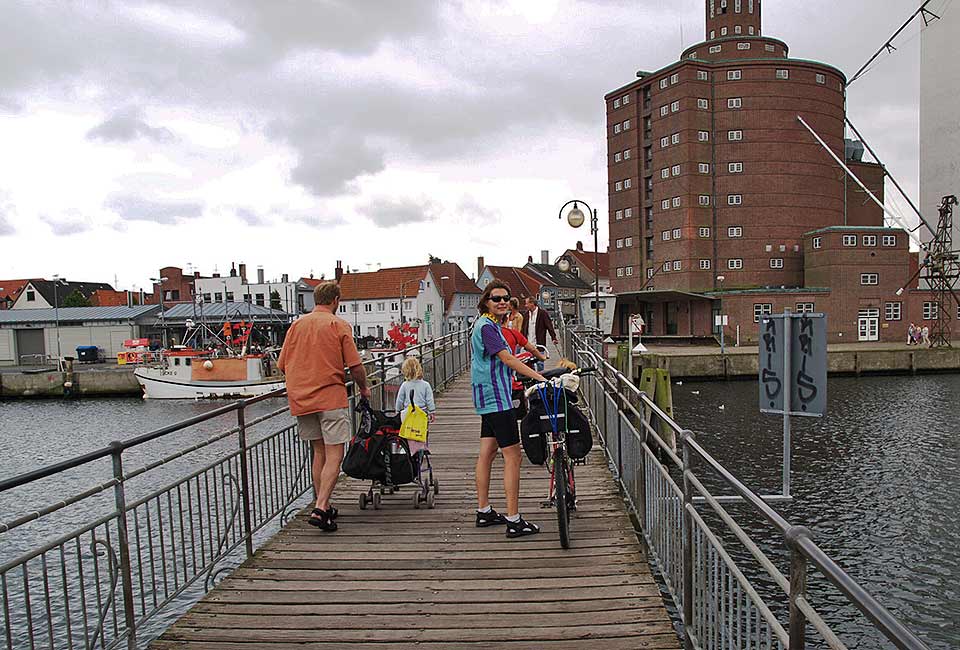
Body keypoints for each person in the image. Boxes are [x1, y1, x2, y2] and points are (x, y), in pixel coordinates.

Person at [278, 281, 370, 532]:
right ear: (335, 300)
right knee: (334, 454)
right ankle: (320, 507)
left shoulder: (296, 325)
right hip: (329, 397)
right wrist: (363, 388)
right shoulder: (338, 325)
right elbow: (355, 366)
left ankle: (324, 506)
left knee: (318, 453)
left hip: (301, 399)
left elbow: (281, 365)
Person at [472, 280, 546, 538]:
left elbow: (503, 358)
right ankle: (514, 520)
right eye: (496, 298)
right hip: (497, 398)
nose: (502, 301)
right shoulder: (488, 328)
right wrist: (541, 378)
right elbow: (507, 358)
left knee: (487, 452)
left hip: (486, 397)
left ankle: (484, 511)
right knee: (513, 456)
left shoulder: (486, 324)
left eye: (505, 297)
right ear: (486, 302)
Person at [522, 296, 558, 370]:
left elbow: (549, 326)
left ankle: (540, 379)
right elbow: (523, 329)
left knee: (539, 364)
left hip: (539, 343)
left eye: (527, 304)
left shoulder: (542, 313)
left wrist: (553, 337)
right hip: (528, 344)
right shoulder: (526, 315)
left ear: (532, 303)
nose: (525, 306)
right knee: (529, 364)